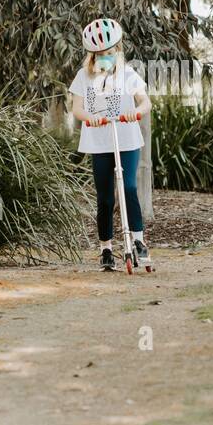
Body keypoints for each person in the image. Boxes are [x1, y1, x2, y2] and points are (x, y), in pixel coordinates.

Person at [69, 18, 153, 271]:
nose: (106, 56)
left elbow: (145, 102)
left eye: (110, 52)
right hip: (99, 142)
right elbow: (77, 108)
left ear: (118, 50)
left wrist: (136, 112)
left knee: (128, 188)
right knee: (105, 198)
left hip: (126, 140)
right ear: (92, 55)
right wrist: (90, 118)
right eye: (100, 54)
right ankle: (106, 248)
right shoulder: (83, 76)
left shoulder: (128, 74)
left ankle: (138, 242)